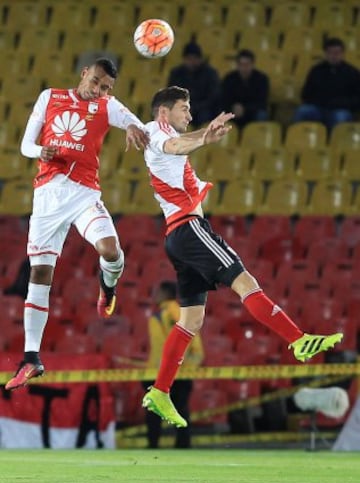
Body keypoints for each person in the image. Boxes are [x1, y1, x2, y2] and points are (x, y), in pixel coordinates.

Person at [141, 86, 343, 427]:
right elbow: (176, 144)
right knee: (245, 281)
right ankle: (298, 340)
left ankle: (160, 391)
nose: (189, 114)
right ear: (164, 113)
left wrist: (203, 134)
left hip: (177, 236)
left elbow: (180, 142)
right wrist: (205, 138)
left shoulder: (159, 133)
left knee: (191, 321)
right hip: (190, 229)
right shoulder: (157, 131)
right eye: (184, 108)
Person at [5, 58, 149, 391]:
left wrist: (130, 126)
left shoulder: (107, 105)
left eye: (105, 87)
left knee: (111, 251)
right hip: (47, 197)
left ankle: (108, 286)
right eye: (96, 81)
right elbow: (26, 144)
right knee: (40, 274)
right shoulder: (49, 97)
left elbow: (136, 124)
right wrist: (41, 150)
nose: (98, 90)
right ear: (84, 72)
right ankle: (31, 358)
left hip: (83, 194)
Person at [143, 281, 204, 448]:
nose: (155, 296)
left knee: (154, 412)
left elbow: (163, 347)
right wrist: (189, 365)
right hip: (180, 373)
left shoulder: (163, 315)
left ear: (164, 294)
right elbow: (196, 347)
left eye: (158, 292)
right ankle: (183, 445)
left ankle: (153, 445)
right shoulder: (181, 313)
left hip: (161, 374)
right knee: (181, 410)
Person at [293, 37, 360, 131]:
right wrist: (318, 101)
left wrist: (342, 103)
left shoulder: (353, 73)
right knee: (303, 111)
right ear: (325, 54)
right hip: (318, 107)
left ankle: (334, 143)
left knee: (340, 117)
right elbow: (306, 93)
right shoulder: (316, 70)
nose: (334, 56)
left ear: (343, 54)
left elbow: (357, 99)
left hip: (340, 109)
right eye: (330, 53)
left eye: (337, 53)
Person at [167, 41, 220, 127]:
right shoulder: (176, 73)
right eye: (189, 59)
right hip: (183, 108)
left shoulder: (210, 74)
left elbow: (213, 97)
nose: (192, 62)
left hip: (203, 109)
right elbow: (172, 95)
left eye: (194, 58)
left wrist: (195, 108)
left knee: (204, 116)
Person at [221, 49, 269, 129]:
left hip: (252, 112)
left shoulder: (262, 79)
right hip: (233, 111)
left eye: (247, 65)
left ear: (252, 64)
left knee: (262, 115)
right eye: (241, 65)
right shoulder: (229, 78)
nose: (243, 68)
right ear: (237, 65)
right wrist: (233, 107)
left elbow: (262, 102)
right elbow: (224, 99)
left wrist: (245, 109)